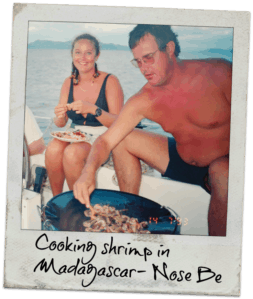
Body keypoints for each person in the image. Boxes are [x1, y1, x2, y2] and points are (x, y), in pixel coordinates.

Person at [73, 25, 231, 237]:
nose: (144, 68)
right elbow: (106, 141)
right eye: (138, 61)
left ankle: (216, 254)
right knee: (122, 139)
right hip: (182, 161)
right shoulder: (145, 99)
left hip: (223, 164)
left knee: (222, 171)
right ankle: (127, 222)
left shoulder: (220, 74)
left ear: (170, 49)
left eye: (148, 57)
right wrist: (88, 172)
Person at [45, 33, 124, 196]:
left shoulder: (110, 81)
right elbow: (61, 123)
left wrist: (93, 109)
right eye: (78, 52)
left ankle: (78, 206)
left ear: (97, 55)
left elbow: (119, 123)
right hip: (77, 134)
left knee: (72, 153)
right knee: (53, 148)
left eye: (88, 52)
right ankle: (57, 200)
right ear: (72, 55)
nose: (83, 57)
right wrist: (59, 115)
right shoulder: (68, 82)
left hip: (104, 137)